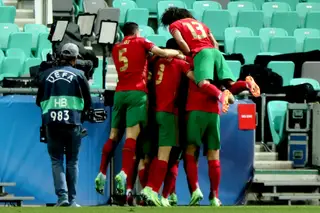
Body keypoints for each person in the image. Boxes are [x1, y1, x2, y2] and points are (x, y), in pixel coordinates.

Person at [94, 22, 182, 198]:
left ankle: (101, 172)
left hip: (119, 93)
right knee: (131, 136)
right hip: (137, 93)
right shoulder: (141, 41)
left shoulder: (116, 47)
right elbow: (163, 53)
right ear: (137, 31)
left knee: (113, 136)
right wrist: (177, 53)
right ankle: (124, 172)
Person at [36, 43, 92, 207]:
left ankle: (62, 198)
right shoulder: (80, 75)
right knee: (72, 161)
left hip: (52, 122)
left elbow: (39, 101)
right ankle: (73, 200)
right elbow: (87, 101)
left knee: (56, 160)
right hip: (73, 122)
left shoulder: (46, 74)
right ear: (75, 59)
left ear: (60, 57)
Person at [161, 7, 235, 113]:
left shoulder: (173, 40)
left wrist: (192, 56)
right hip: (210, 93)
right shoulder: (202, 27)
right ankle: (233, 87)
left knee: (202, 84)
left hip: (188, 91)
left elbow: (181, 45)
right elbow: (215, 44)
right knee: (227, 82)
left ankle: (221, 94)